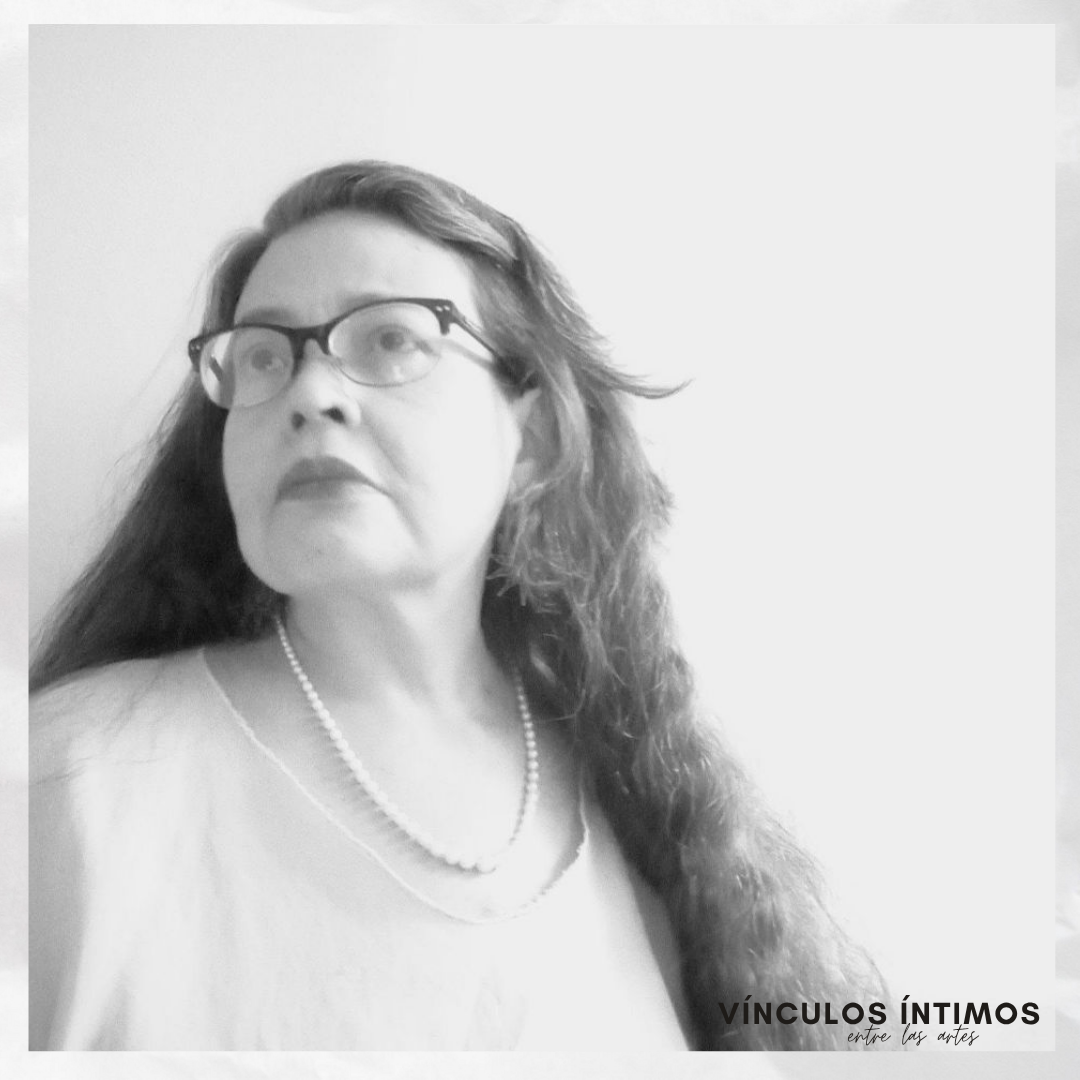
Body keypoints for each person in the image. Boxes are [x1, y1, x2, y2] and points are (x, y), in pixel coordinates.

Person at [30, 161, 887, 1051]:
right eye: (261, 356)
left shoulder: (648, 815)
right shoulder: (66, 787)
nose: (310, 393)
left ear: (533, 437)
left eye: (392, 340)